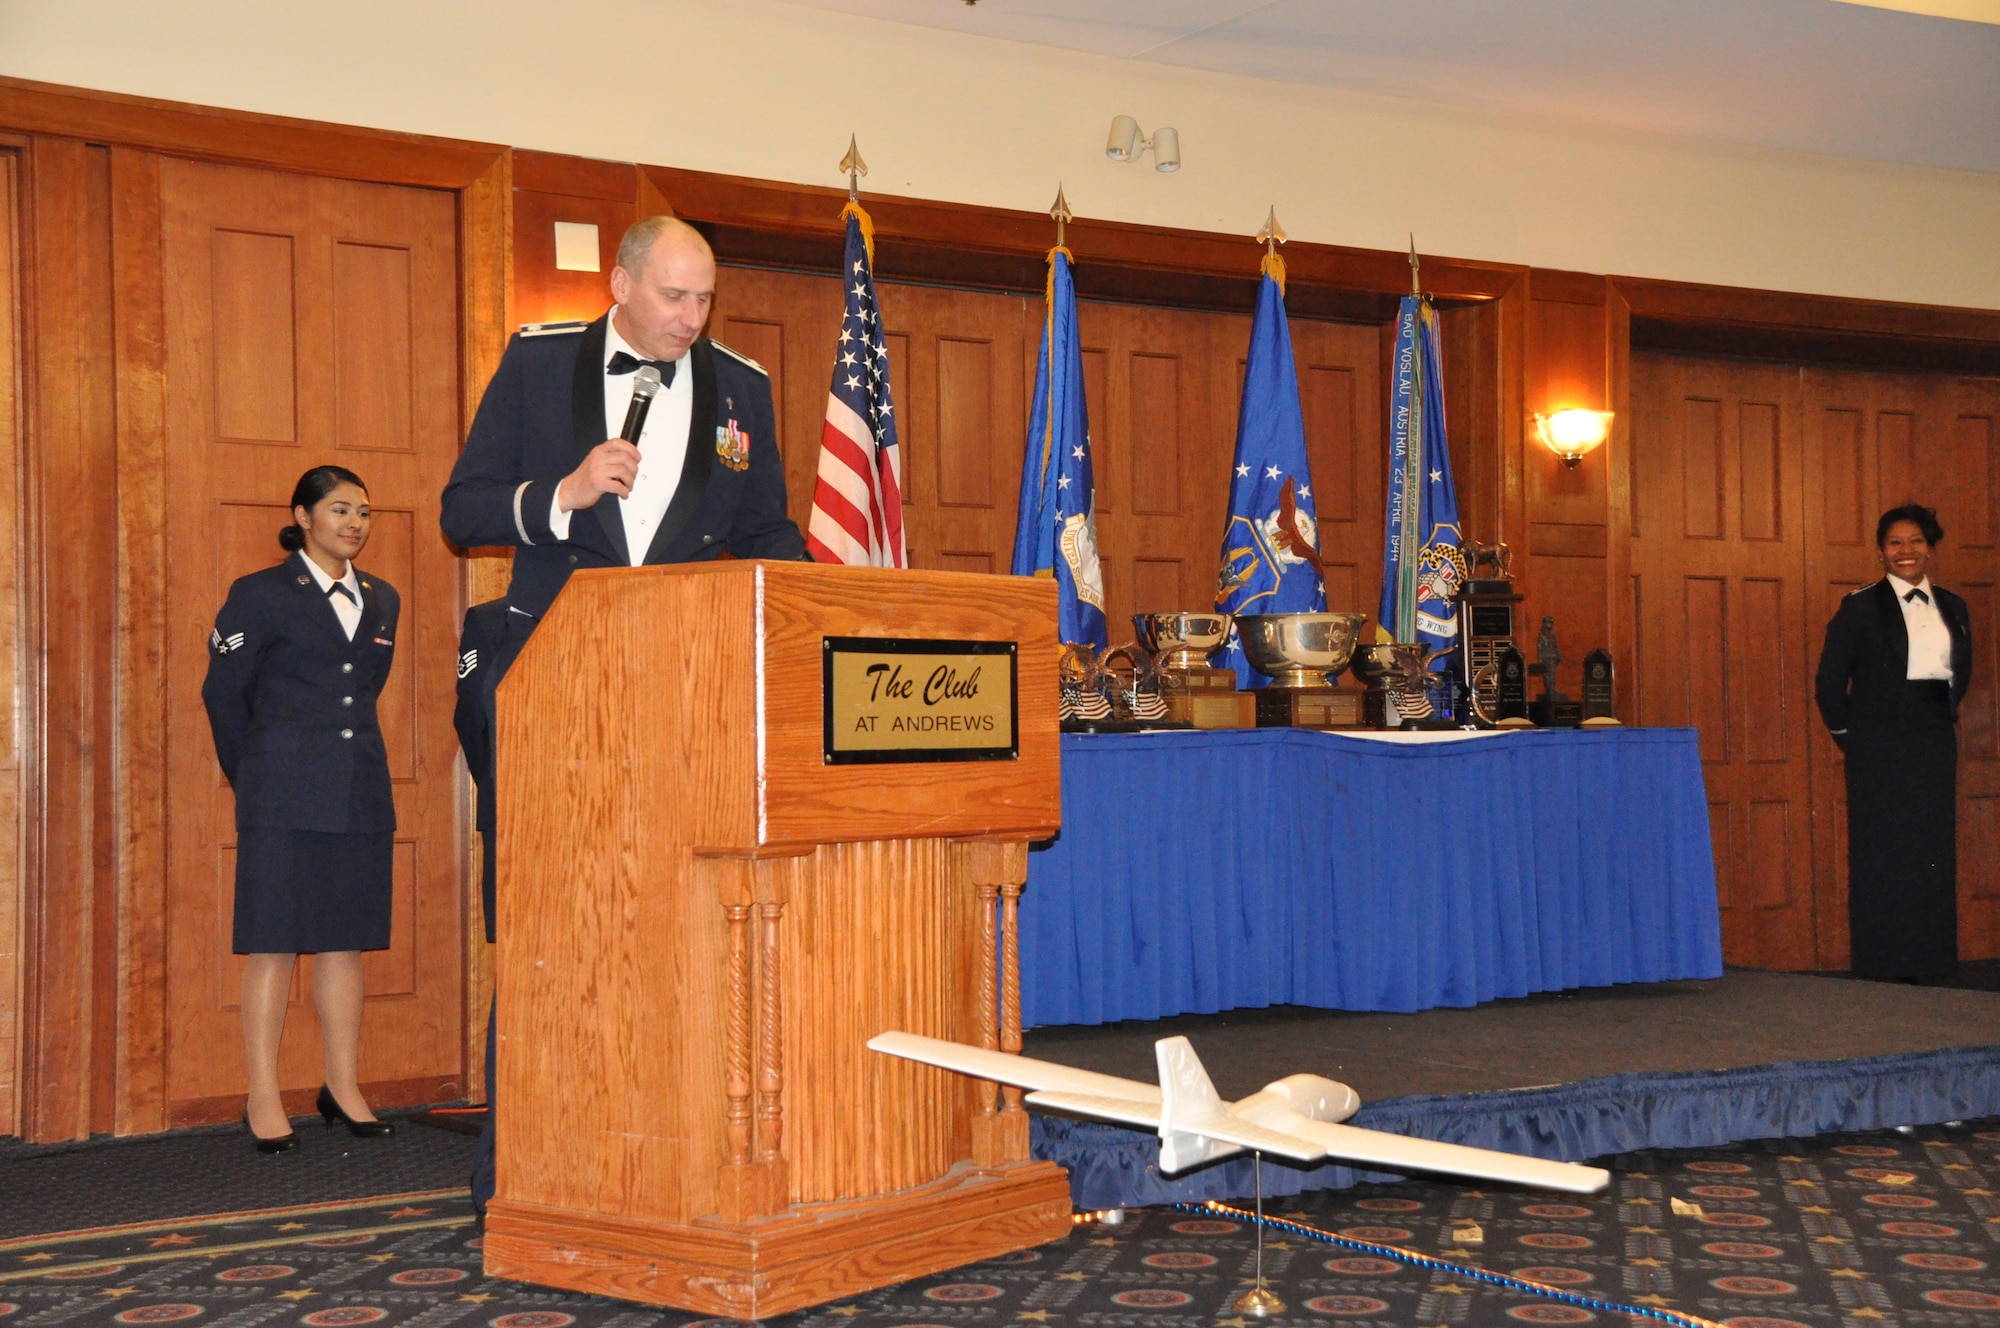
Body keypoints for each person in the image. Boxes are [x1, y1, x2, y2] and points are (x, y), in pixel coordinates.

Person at [441, 215, 808, 1219]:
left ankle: (668, 1162)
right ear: (620, 281)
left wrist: (821, 597)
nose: (691, 318)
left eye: (703, 299)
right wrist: (557, 494)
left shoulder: (743, 388)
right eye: (672, 297)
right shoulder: (537, 362)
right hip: (559, 681)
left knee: (683, 925)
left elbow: (766, 525)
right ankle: (519, 1178)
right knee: (552, 930)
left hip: (691, 690)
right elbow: (460, 509)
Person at [203, 465, 401, 1152]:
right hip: (280, 791)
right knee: (274, 942)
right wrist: (253, 774)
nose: (354, 524)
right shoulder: (258, 595)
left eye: (364, 513)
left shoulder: (383, 599)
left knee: (346, 943)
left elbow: (362, 692)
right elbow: (224, 696)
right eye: (340, 510)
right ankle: (263, 1094)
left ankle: (342, 1086)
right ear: (304, 516)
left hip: (359, 790)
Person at [1814, 503, 1973, 983]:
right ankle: (1883, 966)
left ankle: (1933, 963)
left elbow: (1960, 673)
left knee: (1931, 851)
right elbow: (1829, 681)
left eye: (1916, 541)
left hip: (1932, 743)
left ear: (1930, 547)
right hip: (1877, 747)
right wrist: (1850, 737)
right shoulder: (1859, 607)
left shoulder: (1954, 604)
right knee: (1882, 854)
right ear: (1881, 551)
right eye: (1895, 543)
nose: (1906, 551)